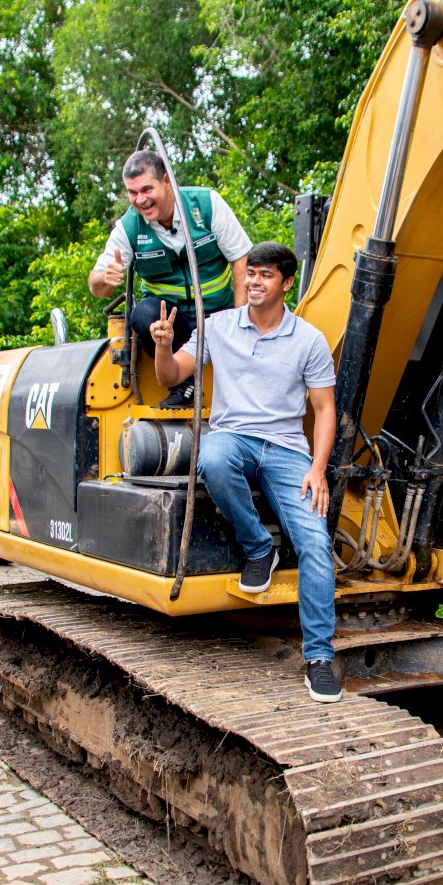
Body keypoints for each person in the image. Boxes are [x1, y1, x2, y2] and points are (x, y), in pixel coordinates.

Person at [151, 241, 341, 703]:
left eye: (265, 275)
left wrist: (318, 469)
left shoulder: (309, 340)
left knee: (316, 543)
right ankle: (258, 547)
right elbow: (172, 376)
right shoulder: (217, 327)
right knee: (211, 455)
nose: (253, 281)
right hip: (233, 440)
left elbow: (324, 409)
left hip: (286, 451)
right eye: (250, 273)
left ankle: (318, 657)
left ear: (286, 283)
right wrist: (161, 347)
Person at [88, 150, 251, 408]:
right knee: (141, 313)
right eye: (132, 193)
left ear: (166, 181)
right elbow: (97, 285)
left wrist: (241, 318)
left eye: (146, 189)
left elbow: (241, 258)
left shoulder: (206, 204)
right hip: (171, 326)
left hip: (217, 317)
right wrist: (106, 278)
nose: (140, 200)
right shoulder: (129, 227)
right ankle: (182, 386)